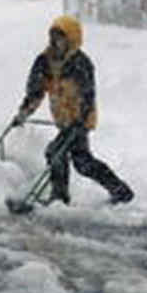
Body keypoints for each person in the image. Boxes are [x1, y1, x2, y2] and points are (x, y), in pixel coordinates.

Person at [11, 14, 133, 205]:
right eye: (54, 38)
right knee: (82, 163)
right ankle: (120, 191)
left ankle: (59, 197)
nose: (56, 42)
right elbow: (36, 91)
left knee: (55, 152)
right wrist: (23, 113)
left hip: (79, 121)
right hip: (64, 120)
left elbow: (87, 95)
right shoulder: (44, 62)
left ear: (71, 40)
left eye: (61, 38)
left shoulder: (80, 64)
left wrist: (80, 121)